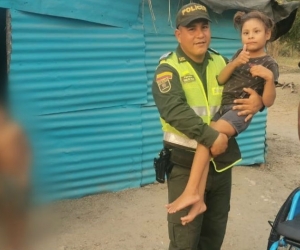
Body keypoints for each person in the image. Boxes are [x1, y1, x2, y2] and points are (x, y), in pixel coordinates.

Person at [152, 3, 265, 250]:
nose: (200, 34)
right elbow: (173, 110)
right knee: (185, 237)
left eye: (204, 27)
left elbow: (244, 95)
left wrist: (258, 102)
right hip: (185, 165)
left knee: (214, 233)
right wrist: (211, 136)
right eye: (191, 29)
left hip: (221, 165)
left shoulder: (223, 62)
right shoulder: (168, 68)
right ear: (178, 34)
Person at [166, 10, 279, 225]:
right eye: (246, 32)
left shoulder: (268, 64)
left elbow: (269, 100)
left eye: (256, 31)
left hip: (238, 110)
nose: (251, 36)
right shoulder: (236, 55)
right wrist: (236, 62)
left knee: (208, 136)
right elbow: (222, 78)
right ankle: (197, 198)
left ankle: (191, 191)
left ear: (268, 34)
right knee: (206, 141)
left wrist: (267, 86)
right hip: (221, 112)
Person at [0, 105, 31, 250]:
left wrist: (24, 175)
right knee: (7, 214)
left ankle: (19, 242)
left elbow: (26, 152)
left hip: (16, 178)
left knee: (18, 214)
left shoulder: (14, 131)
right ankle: (11, 242)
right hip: (3, 180)